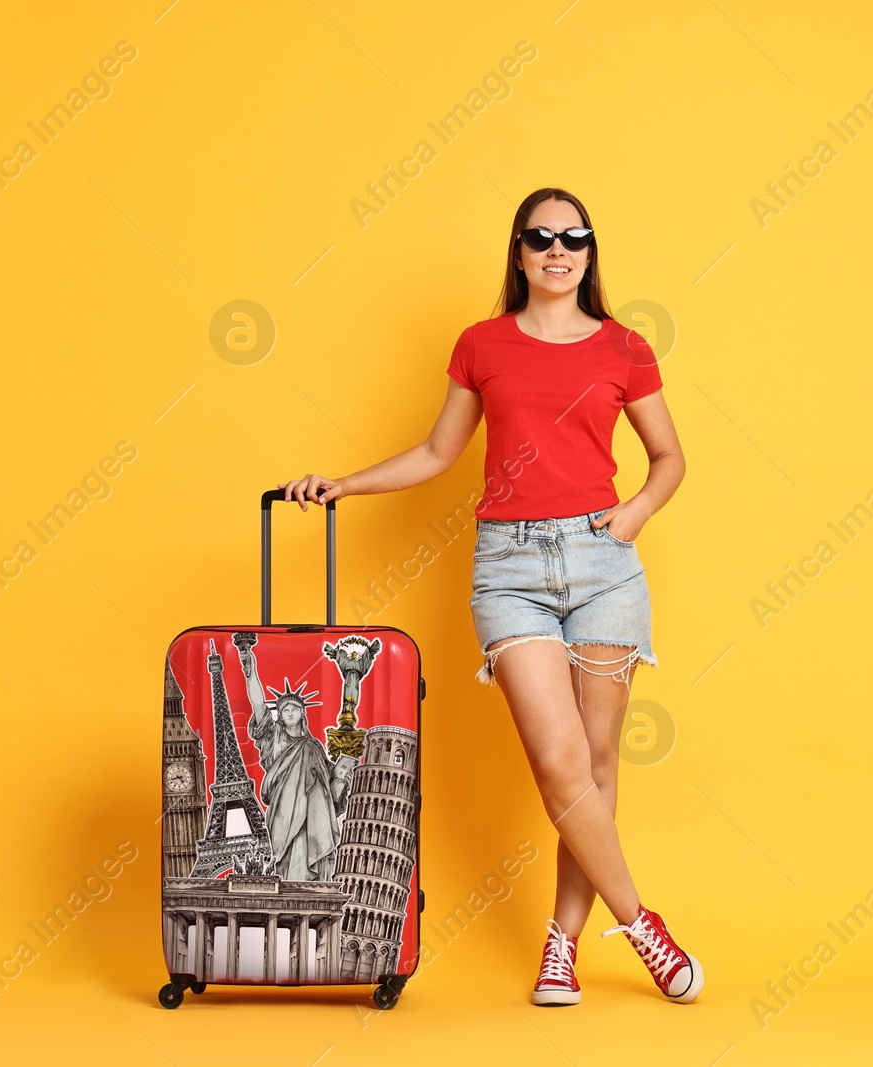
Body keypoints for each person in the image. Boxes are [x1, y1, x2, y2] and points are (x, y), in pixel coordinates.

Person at [279, 187, 699, 1005]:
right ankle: (643, 924)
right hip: (509, 570)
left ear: (588, 251)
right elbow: (440, 450)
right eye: (540, 236)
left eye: (573, 236)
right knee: (558, 762)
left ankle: (561, 948)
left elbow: (669, 457)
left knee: (599, 761)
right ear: (518, 251)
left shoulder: (624, 347)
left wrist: (634, 516)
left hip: (603, 561)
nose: (557, 248)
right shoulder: (482, 343)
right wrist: (344, 485)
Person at [236, 633, 353, 881]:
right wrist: (250, 669)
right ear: (278, 715)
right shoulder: (273, 738)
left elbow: (330, 791)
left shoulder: (313, 746)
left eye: (294, 709)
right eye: (284, 710)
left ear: (302, 714)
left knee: (310, 850)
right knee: (286, 860)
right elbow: (258, 703)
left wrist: (341, 777)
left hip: (314, 815)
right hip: (283, 812)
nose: (289, 713)